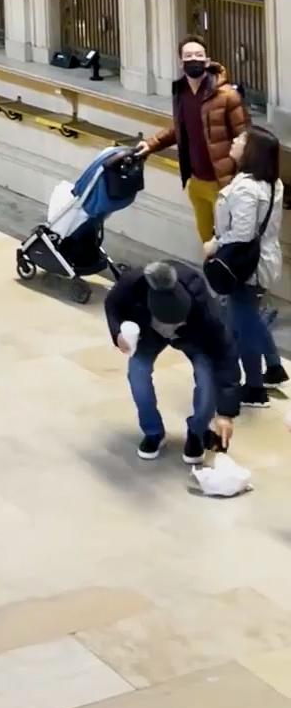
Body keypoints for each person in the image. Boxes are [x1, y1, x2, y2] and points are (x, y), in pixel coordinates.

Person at [105, 258, 240, 462]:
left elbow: (226, 354)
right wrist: (118, 334)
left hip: (193, 337)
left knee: (207, 381)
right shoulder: (133, 284)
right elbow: (112, 303)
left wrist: (226, 413)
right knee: (137, 374)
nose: (172, 327)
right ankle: (153, 432)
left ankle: (197, 433)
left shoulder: (206, 310)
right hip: (150, 333)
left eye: (179, 321)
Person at [205, 125, 287, 405]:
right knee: (248, 317)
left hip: (244, 267)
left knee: (243, 327)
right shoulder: (272, 182)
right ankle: (274, 367)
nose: (235, 141)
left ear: (251, 150)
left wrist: (214, 244)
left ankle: (254, 388)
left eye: (241, 139)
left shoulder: (246, 190)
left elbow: (242, 233)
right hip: (264, 260)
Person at [140, 38, 248, 243]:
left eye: (198, 56)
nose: (194, 60)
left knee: (229, 243)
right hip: (196, 181)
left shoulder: (227, 96)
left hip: (223, 183)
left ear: (207, 61)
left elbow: (245, 137)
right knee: (206, 240)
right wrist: (151, 143)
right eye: (188, 56)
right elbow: (182, 128)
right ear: (181, 63)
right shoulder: (181, 91)